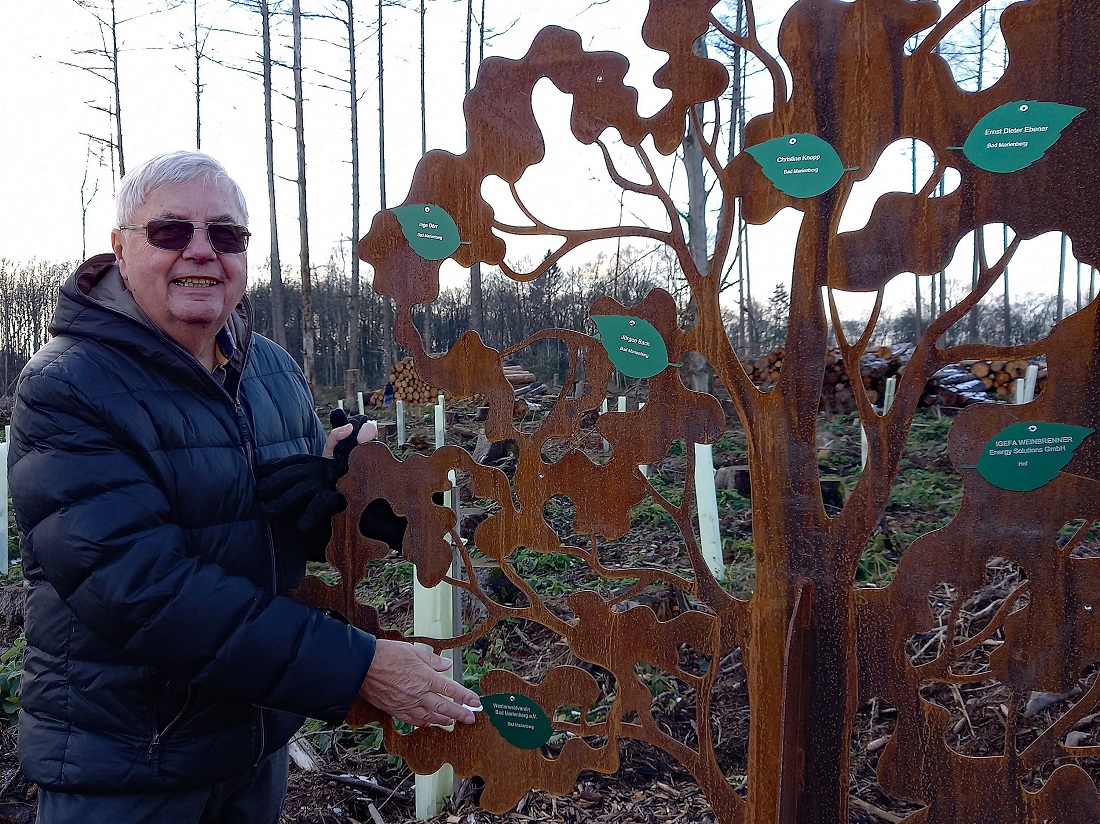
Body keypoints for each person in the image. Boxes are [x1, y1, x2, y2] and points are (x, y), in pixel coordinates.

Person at [7, 150, 480, 824]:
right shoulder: (69, 388)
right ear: (119, 248)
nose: (201, 252)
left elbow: (277, 520)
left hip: (251, 750)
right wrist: (356, 667)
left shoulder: (273, 371)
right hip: (128, 767)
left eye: (225, 235)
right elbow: (143, 591)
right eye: (171, 231)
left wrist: (358, 493)